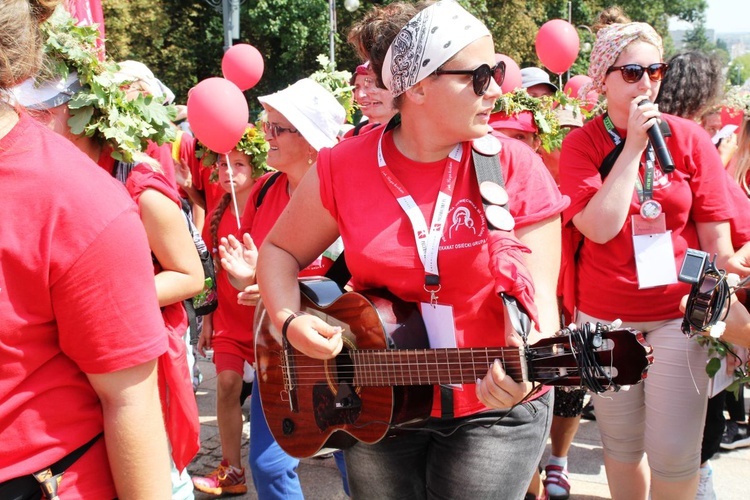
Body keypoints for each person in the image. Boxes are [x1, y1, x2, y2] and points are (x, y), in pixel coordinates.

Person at [255, 1, 568, 498]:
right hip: (378, 401)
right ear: (418, 86)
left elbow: (542, 311)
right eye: (481, 75)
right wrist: (290, 320)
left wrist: (528, 372)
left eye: (499, 73)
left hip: (494, 411)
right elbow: (278, 251)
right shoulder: (344, 165)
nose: (496, 90)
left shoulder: (514, 166)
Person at [0, 1, 171, 498]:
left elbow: (130, 401)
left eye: (65, 108)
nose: (55, 116)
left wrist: (126, 299)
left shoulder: (95, 198)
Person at [558, 20, 736, 500]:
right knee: (621, 446)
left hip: (678, 316)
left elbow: (718, 235)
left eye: (656, 69)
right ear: (603, 79)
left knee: (675, 453)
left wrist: (722, 285)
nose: (648, 82)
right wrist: (633, 147)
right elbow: (598, 227)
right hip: (604, 321)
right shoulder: (581, 144)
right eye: (633, 71)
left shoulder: (690, 138)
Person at [218, 78, 347, 499]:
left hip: (340, 350)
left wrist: (280, 286)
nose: (264, 136)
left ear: (310, 140)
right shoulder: (266, 189)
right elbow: (261, 269)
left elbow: (350, 276)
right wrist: (251, 279)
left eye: (277, 128)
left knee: (359, 461)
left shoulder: (341, 192)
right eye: (266, 125)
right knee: (268, 465)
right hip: (278, 348)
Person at [656, 49, 750, 497]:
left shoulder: (636, 139)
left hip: (656, 305)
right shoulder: (692, 143)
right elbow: (732, 230)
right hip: (697, 307)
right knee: (696, 436)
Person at [191, 130, 263, 497]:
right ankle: (232, 469)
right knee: (227, 385)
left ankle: (279, 461)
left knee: (275, 401)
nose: (228, 171)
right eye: (222, 163)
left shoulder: (270, 197)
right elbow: (209, 269)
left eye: (239, 164)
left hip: (264, 317)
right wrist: (206, 318)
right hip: (228, 319)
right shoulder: (217, 207)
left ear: (255, 167)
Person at [345, 61, 397, 137]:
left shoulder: (413, 135)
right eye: (357, 87)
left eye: (371, 84)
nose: (360, 95)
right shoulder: (351, 135)